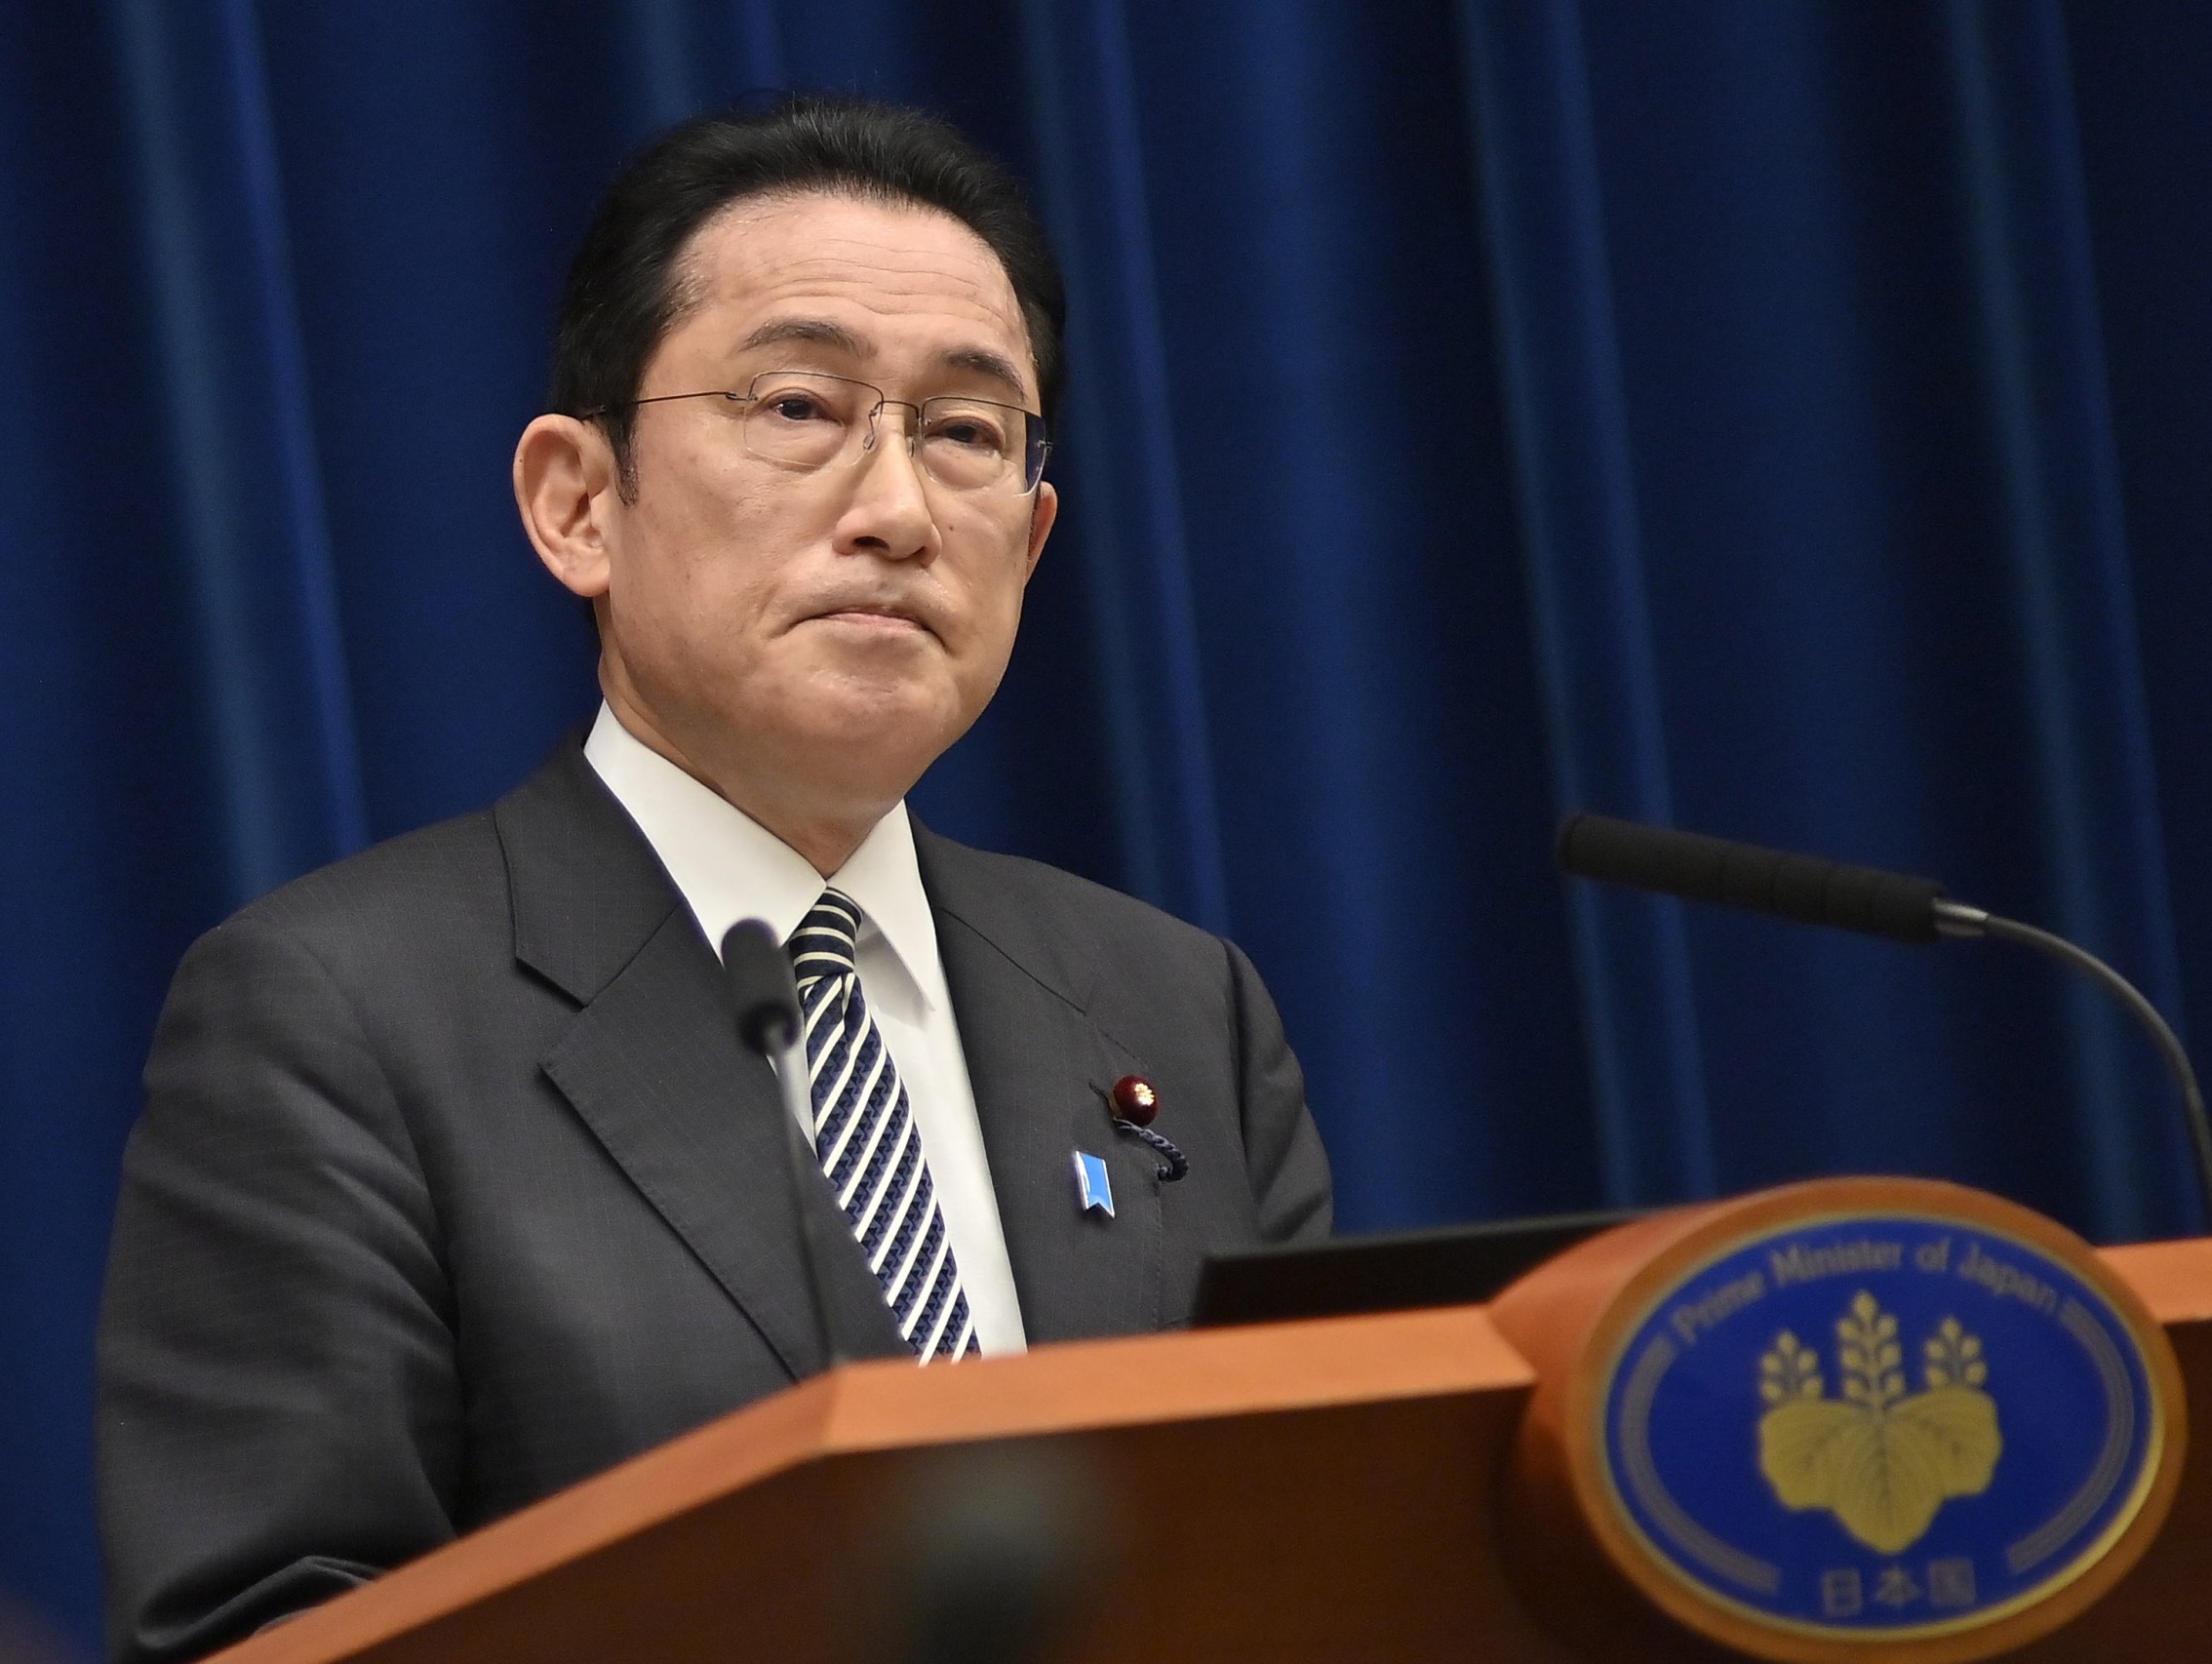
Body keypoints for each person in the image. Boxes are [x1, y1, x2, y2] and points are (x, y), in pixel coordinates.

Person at [96, 96, 1330, 1664]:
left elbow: (1320, 1551)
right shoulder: (337, 1019)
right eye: (801, 406)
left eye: (963, 432)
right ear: (577, 504)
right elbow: (271, 1628)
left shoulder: (1177, 1008)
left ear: (1030, 538)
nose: (893, 511)